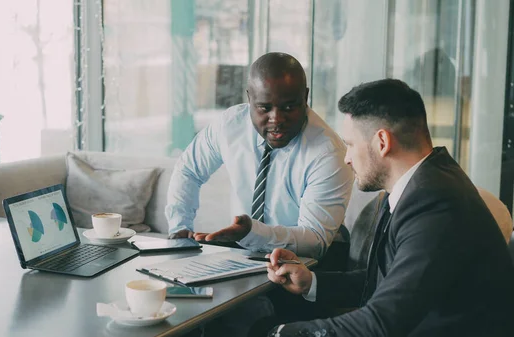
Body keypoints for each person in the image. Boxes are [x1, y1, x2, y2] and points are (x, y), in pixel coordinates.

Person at [263, 79, 514, 337]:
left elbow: (383, 322)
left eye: (350, 144)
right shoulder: (417, 186)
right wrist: (311, 282)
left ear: (382, 142)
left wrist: (282, 334)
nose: (347, 158)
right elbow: (384, 284)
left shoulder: (435, 202)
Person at [166, 52, 353, 259]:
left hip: (310, 261)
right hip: (245, 247)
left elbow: (314, 241)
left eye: (289, 107)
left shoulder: (328, 153)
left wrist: (252, 233)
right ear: (249, 98)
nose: (276, 119)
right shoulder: (230, 125)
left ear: (305, 97)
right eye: (264, 108)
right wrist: (180, 228)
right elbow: (189, 169)